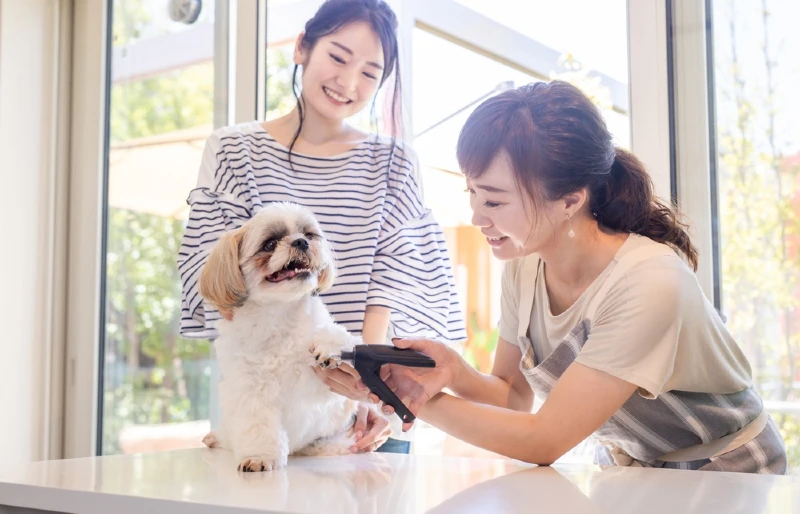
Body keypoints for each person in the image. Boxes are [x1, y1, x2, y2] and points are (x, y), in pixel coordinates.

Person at [367, 80, 787, 473]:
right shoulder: (522, 264)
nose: (476, 217)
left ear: (570, 200)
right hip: (637, 466)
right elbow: (513, 398)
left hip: (731, 469)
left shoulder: (650, 281)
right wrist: (456, 371)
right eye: (472, 193)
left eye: (494, 201)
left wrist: (413, 400)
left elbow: (545, 441)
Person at [177, 0, 466, 454]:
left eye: (371, 73)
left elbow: (388, 286)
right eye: (338, 56)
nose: (349, 83)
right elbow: (220, 284)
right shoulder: (234, 150)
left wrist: (369, 390)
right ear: (301, 48)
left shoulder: (395, 162)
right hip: (265, 413)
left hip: (358, 410)